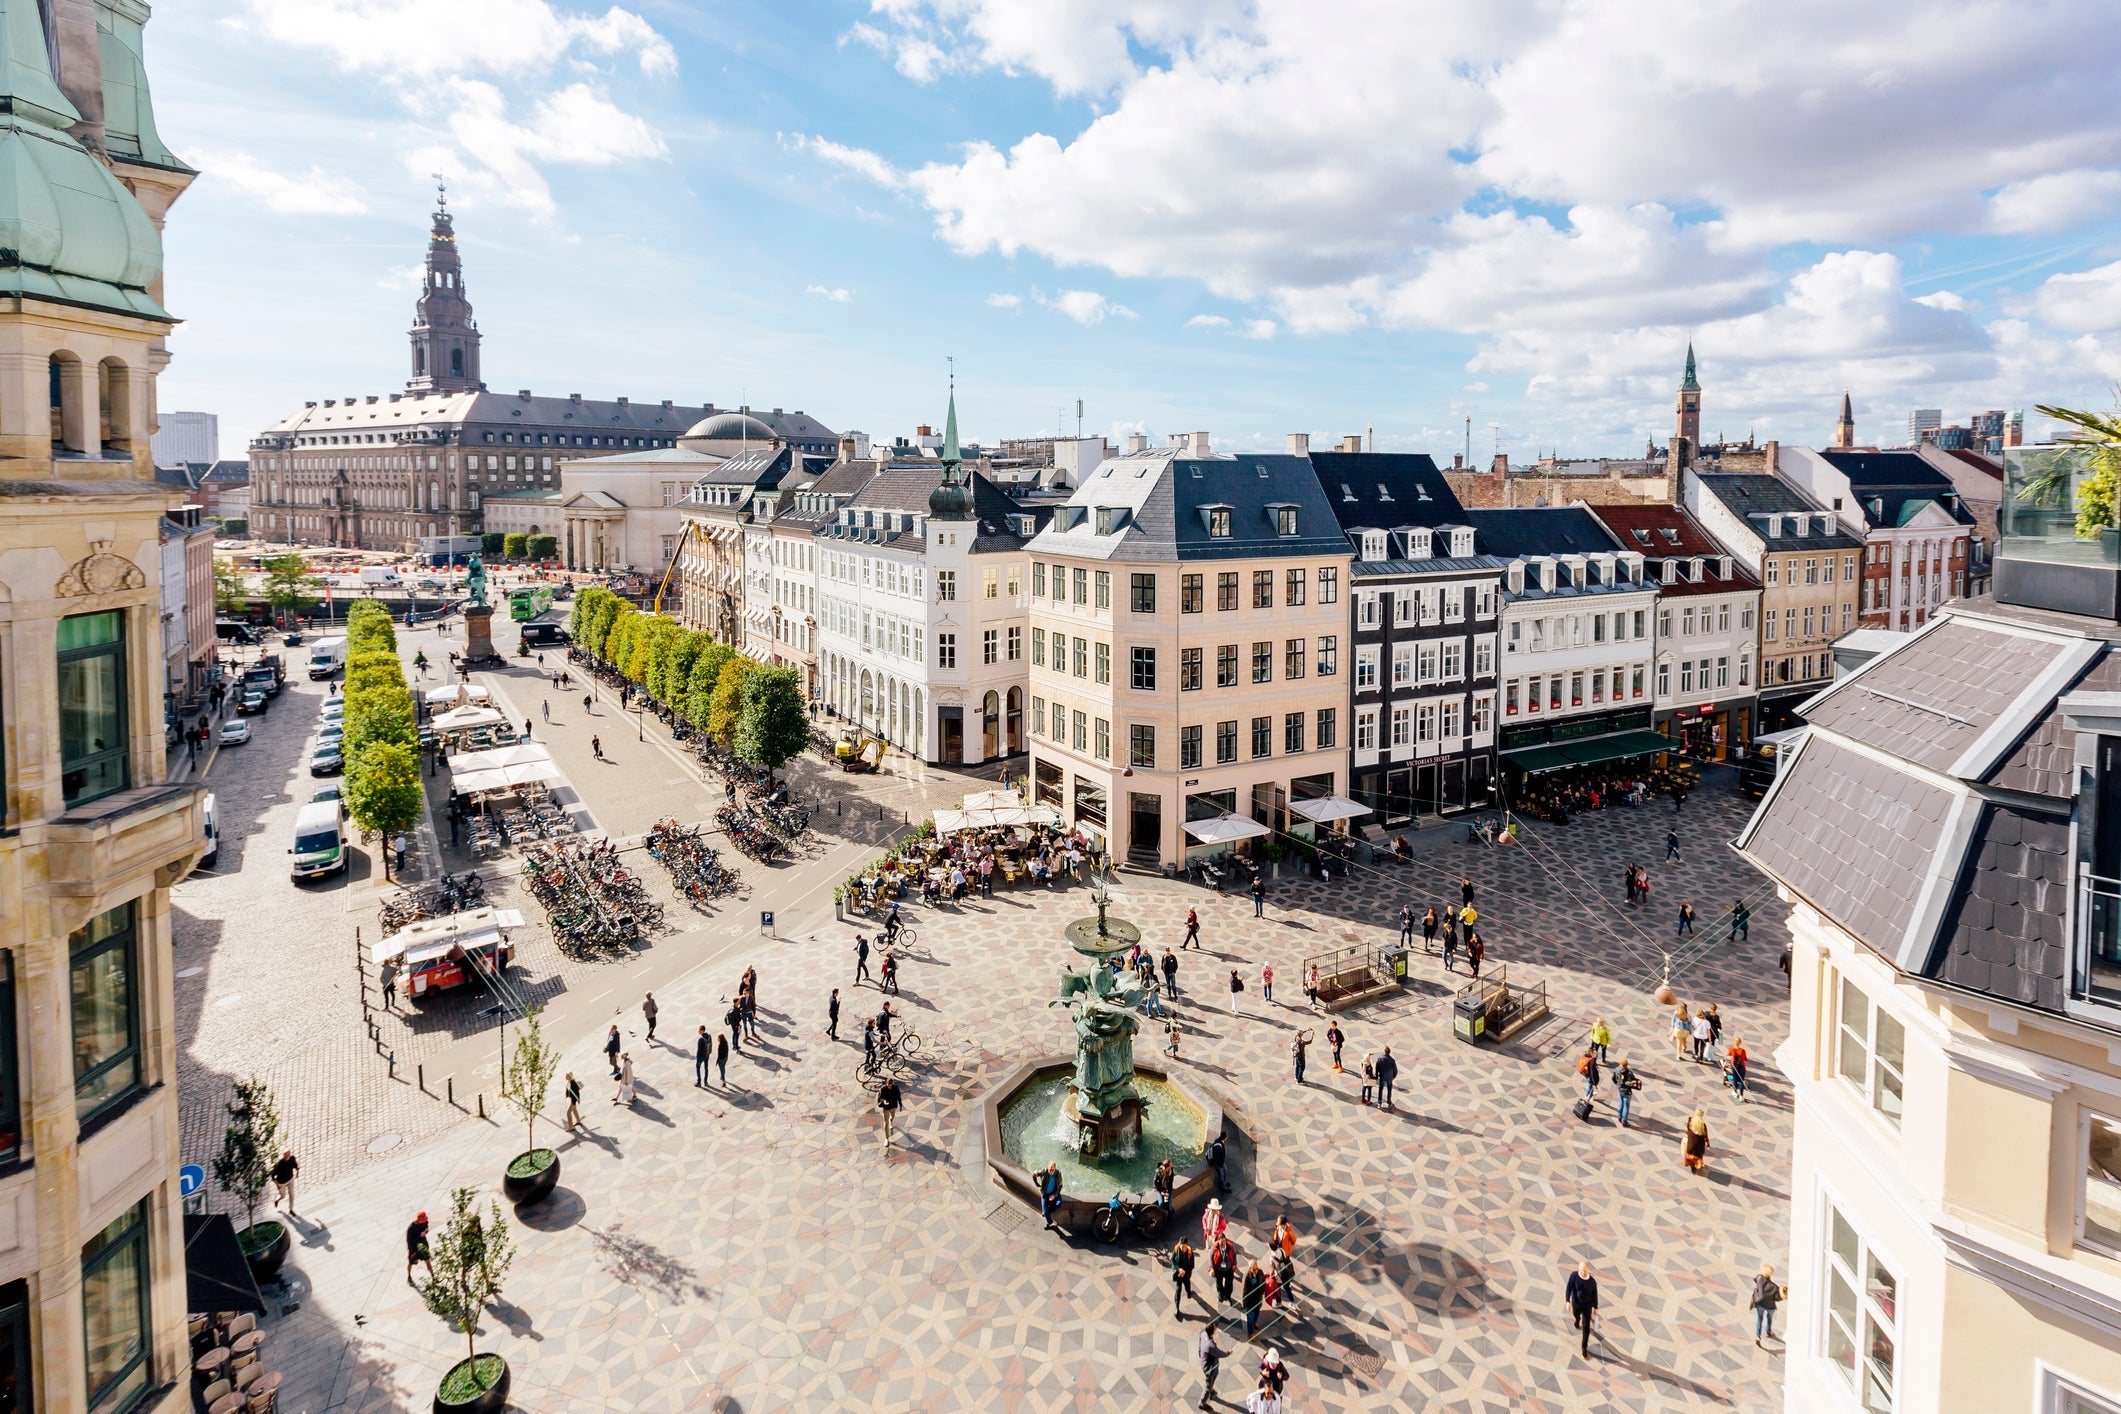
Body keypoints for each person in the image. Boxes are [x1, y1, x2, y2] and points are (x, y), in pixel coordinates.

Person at [1564, 1260, 1599, 1358]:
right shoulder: (1574, 1276)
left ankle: (1584, 1348)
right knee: (1576, 1315)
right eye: (1581, 1270)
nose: (1583, 1272)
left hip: (1587, 1306)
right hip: (1576, 1303)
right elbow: (1569, 1288)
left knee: (1586, 1327)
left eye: (1585, 1270)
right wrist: (1568, 1301)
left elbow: (1594, 1295)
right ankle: (1577, 1320)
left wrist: (1595, 1307)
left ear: (1588, 1269)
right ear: (1579, 1269)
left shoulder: (1592, 1282)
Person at [1750, 1263, 1785, 1344]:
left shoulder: (1759, 1278)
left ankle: (1757, 1336)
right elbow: (1777, 1298)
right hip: (1770, 1306)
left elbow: (1756, 1280)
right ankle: (1768, 1332)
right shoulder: (1774, 1287)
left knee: (1759, 1318)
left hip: (1760, 1303)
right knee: (1769, 1318)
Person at [1198, 1327, 1229, 1410]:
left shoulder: (1203, 1333)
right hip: (1210, 1368)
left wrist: (1200, 1355)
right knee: (1208, 1387)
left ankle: (1211, 1390)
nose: (1216, 1329)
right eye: (1215, 1328)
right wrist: (1228, 1353)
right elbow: (1220, 1353)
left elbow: (1200, 1346)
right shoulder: (1210, 1345)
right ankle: (1202, 1403)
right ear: (1212, 1332)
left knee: (1211, 1381)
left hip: (1206, 1363)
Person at [1171, 1238, 1199, 1317]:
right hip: (1179, 1274)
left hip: (1186, 1275)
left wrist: (1185, 1272)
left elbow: (1192, 1265)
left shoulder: (1190, 1253)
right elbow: (1172, 1260)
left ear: (1187, 1245)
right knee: (1178, 1289)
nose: (1183, 1248)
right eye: (1181, 1247)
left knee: (1187, 1286)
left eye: (1184, 1247)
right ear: (1179, 1245)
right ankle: (1177, 1307)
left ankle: (1189, 1292)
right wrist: (1178, 1269)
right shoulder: (1176, 1250)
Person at [1241, 1261, 1268, 1337]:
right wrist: (1244, 1302)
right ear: (1250, 1269)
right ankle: (1251, 1333)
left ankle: (1255, 1322)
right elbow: (1244, 1290)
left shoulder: (1260, 1272)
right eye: (1253, 1269)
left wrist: (1262, 1291)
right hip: (1250, 1300)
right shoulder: (1246, 1276)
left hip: (1258, 1298)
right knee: (1250, 1317)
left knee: (1257, 1312)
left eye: (1256, 1268)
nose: (1256, 1271)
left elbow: (1263, 1282)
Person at [406, 1211, 434, 1285]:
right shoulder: (411, 1228)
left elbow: (427, 1226)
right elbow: (409, 1241)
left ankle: (433, 1276)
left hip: (423, 1245)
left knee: (427, 1260)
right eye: (423, 1220)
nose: (424, 1222)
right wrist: (412, 1252)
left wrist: (426, 1231)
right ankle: (409, 1276)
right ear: (419, 1219)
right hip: (414, 1248)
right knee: (411, 1263)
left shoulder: (424, 1222)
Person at [1211, 1232, 1239, 1304]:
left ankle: (1227, 1296)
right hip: (1219, 1269)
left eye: (1224, 1240)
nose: (1223, 1242)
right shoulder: (1215, 1247)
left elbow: (1234, 1255)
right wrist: (1211, 1268)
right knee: (1219, 1283)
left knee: (1229, 1284)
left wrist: (1234, 1264)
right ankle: (1220, 1294)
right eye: (1221, 1241)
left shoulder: (1230, 1246)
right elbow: (1210, 1257)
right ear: (1218, 1240)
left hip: (1228, 1269)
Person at [876, 1074, 903, 1150]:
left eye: (890, 1085)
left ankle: (891, 1121)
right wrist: (883, 1102)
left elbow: (898, 1096)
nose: (889, 1087)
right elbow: (879, 1099)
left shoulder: (895, 1088)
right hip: (886, 1108)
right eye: (888, 1085)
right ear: (886, 1084)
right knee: (885, 1122)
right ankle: (886, 1138)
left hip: (893, 1106)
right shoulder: (883, 1089)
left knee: (892, 1117)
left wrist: (900, 1105)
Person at [1613, 1058, 1640, 1127]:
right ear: (1626, 1064)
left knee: (1621, 1102)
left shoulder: (1616, 1069)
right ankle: (1624, 1121)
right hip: (1627, 1091)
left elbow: (1613, 1078)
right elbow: (1634, 1079)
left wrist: (1618, 1084)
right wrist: (1630, 1070)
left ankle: (1619, 1116)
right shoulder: (1628, 1072)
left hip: (1620, 1089)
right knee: (1626, 1105)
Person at [1683, 1107, 1710, 1173]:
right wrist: (1708, 1142)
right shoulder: (1703, 1125)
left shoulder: (1690, 1121)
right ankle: (1696, 1166)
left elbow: (1687, 1130)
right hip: (1699, 1146)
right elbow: (1706, 1136)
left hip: (1691, 1144)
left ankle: (1691, 1165)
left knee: (1690, 1154)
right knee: (1697, 1157)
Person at [271, 1150, 299, 1215]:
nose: (287, 1156)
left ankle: (291, 1209)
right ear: (283, 1155)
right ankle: (276, 1200)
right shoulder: (279, 1164)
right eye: (285, 1155)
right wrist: (277, 1185)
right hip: (282, 1183)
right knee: (283, 1196)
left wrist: (297, 1172)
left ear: (290, 1154)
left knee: (292, 1195)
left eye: (288, 1154)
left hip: (290, 1180)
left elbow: (296, 1165)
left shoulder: (292, 1158)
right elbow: (273, 1176)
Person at [1040, 1162, 1064, 1229]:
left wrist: (1054, 1195)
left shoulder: (1058, 1173)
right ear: (1047, 1168)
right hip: (1045, 1194)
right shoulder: (1044, 1171)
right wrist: (1038, 1185)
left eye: (1052, 1170)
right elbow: (1034, 1175)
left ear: (1055, 1169)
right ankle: (1049, 1222)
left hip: (1054, 1192)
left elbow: (1060, 1185)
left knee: (1059, 1203)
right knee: (1045, 1211)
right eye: (1049, 1170)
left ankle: (1047, 1212)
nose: (1050, 1171)